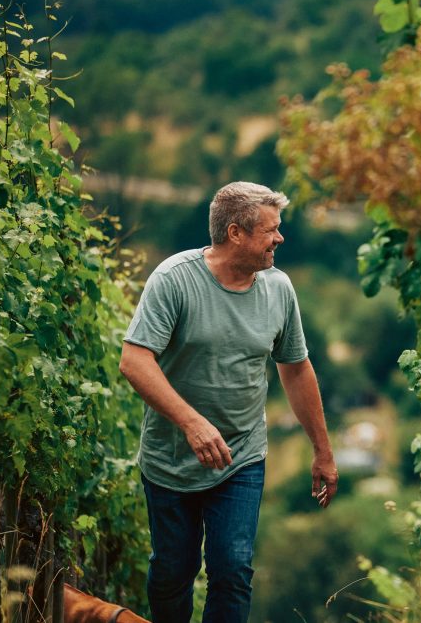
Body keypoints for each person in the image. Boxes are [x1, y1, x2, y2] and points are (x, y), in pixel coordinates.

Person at [119, 182, 338, 622]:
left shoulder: (278, 289)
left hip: (242, 457)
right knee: (172, 572)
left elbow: (296, 369)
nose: (280, 239)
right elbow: (134, 360)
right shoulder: (174, 280)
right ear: (235, 233)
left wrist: (322, 450)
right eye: (270, 230)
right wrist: (191, 423)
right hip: (171, 458)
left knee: (232, 570)